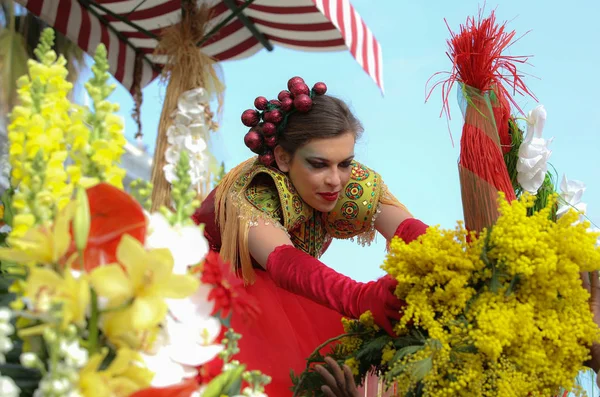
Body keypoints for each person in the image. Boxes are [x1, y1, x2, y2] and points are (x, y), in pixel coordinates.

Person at [193, 76, 428, 396]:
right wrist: (362, 299)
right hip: (211, 300)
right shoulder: (252, 191)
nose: (335, 180)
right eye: (319, 165)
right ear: (283, 158)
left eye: (345, 163)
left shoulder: (346, 181)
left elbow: (410, 232)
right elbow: (283, 262)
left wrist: (447, 265)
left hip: (288, 301)